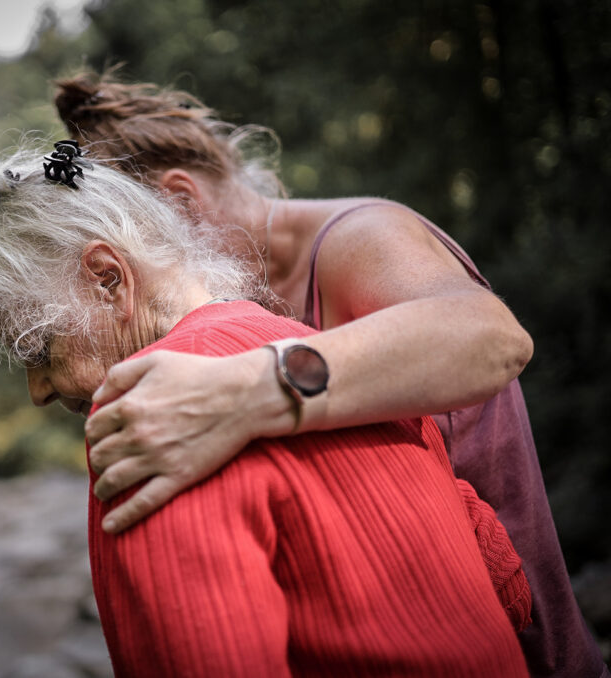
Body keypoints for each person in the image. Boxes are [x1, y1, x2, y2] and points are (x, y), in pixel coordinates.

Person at [53, 68, 609, 678]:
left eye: (145, 236)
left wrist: (245, 390)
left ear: (182, 201)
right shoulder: (235, 310)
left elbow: (494, 339)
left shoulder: (362, 238)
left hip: (528, 651)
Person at [0, 142, 530, 676]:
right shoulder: (342, 355)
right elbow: (506, 586)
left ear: (107, 280)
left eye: (37, 349)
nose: (38, 391)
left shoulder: (150, 418)